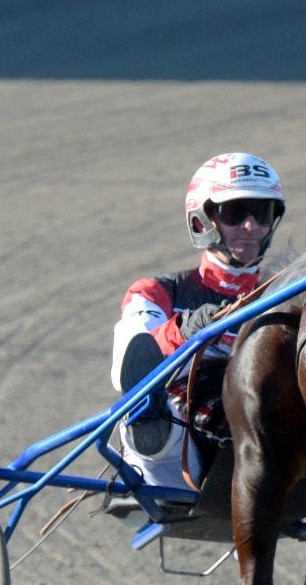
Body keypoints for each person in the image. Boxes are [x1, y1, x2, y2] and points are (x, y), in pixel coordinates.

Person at [110, 152, 285, 491]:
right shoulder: (155, 291)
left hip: (267, 434)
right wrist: (187, 330)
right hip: (181, 448)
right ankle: (149, 429)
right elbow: (127, 366)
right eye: (235, 212)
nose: (250, 225)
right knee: (142, 394)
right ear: (200, 221)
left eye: (261, 213)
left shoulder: (288, 292)